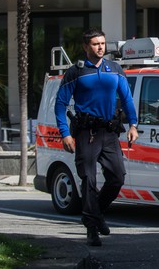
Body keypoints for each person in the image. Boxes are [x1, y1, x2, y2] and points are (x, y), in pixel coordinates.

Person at [55, 28, 138, 247]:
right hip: (86, 133)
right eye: (95, 44)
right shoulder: (76, 72)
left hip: (109, 132)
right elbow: (60, 104)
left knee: (118, 177)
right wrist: (65, 134)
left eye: (102, 43)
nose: (100, 47)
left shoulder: (115, 69)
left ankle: (95, 213)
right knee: (88, 179)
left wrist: (133, 125)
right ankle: (92, 228)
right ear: (85, 47)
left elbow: (127, 99)